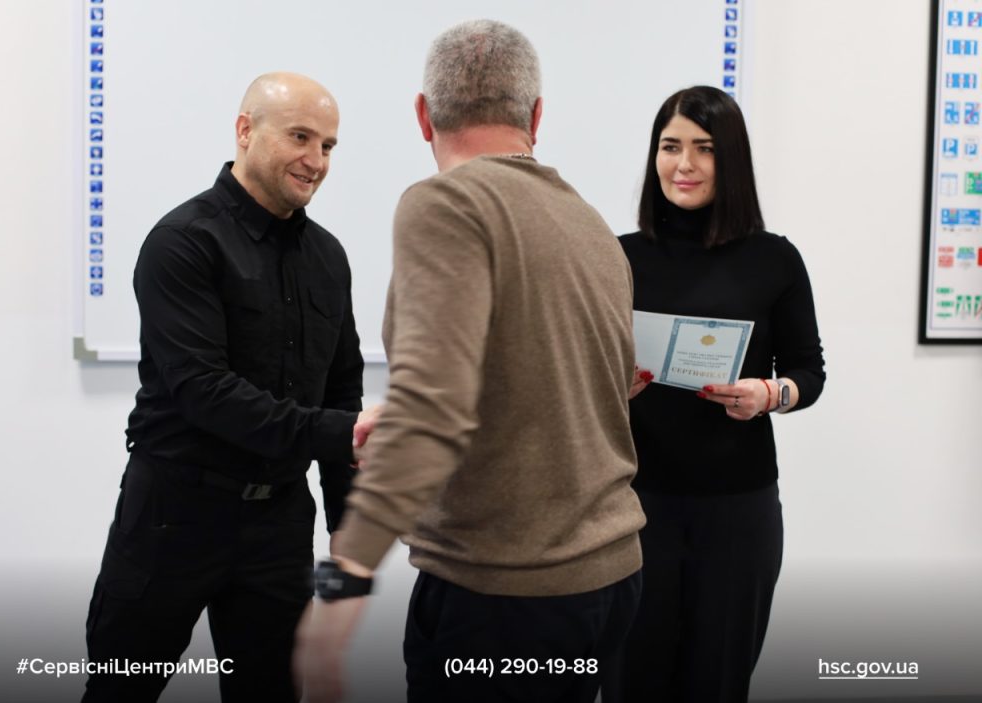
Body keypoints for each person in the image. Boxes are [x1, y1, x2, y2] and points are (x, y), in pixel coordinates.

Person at [294, 19, 646, 703]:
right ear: (536, 117)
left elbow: (435, 406)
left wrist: (345, 577)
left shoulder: (447, 203)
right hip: (606, 580)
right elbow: (574, 383)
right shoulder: (592, 226)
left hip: (507, 596)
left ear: (423, 116)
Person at [82, 72, 373, 703]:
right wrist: (340, 431)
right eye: (300, 137)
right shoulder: (183, 242)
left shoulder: (328, 257)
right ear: (246, 131)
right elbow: (204, 391)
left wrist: (345, 515)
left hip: (279, 524)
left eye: (328, 145)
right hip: (174, 516)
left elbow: (341, 386)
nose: (316, 161)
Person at [602, 86, 826, 703]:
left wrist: (769, 393)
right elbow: (581, 375)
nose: (684, 164)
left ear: (731, 159)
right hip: (633, 507)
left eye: (703, 149)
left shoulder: (775, 259)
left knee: (717, 682)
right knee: (629, 681)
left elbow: (808, 372)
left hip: (737, 513)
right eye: (670, 146)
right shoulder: (618, 257)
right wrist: (612, 387)